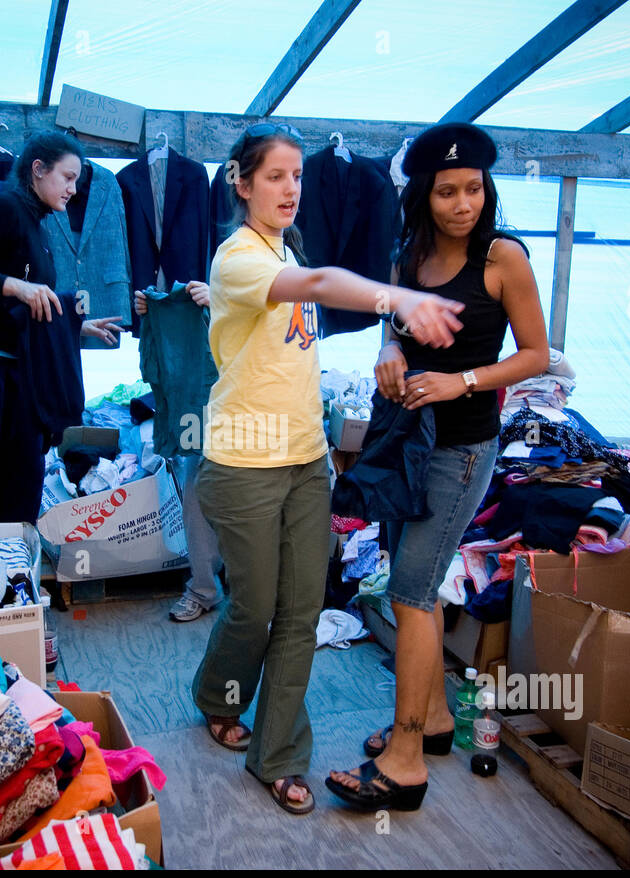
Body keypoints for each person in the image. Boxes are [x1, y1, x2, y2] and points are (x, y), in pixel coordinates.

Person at [193, 123, 465, 815]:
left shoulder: (288, 246)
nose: (290, 189)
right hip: (243, 464)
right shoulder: (239, 259)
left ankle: (279, 755)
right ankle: (217, 695)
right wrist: (397, 298)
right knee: (253, 609)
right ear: (241, 182)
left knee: (302, 611)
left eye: (296, 176)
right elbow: (316, 282)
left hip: (307, 460)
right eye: (275, 176)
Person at [325, 122, 549, 812]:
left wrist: (465, 380)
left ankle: (405, 760)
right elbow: (394, 327)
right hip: (405, 447)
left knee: (411, 594)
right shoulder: (407, 255)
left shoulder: (503, 257)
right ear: (423, 196)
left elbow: (538, 355)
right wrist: (387, 354)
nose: (463, 204)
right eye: (447, 191)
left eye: (474, 189)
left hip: (462, 451)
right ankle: (441, 724)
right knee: (408, 582)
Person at [0, 131, 122, 524]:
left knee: (22, 476)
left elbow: (31, 302)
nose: (73, 189)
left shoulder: (39, 224)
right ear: (37, 170)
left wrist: (78, 325)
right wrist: (13, 284)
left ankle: (8, 575)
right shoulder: (2, 208)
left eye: (77, 180)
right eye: (68, 177)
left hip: (13, 374)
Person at [132, 281, 227, 623]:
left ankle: (262, 595)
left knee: (256, 504)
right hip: (205, 402)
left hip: (257, 407)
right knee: (196, 492)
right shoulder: (233, 251)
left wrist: (221, 304)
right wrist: (159, 312)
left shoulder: (290, 278)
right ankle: (204, 587)